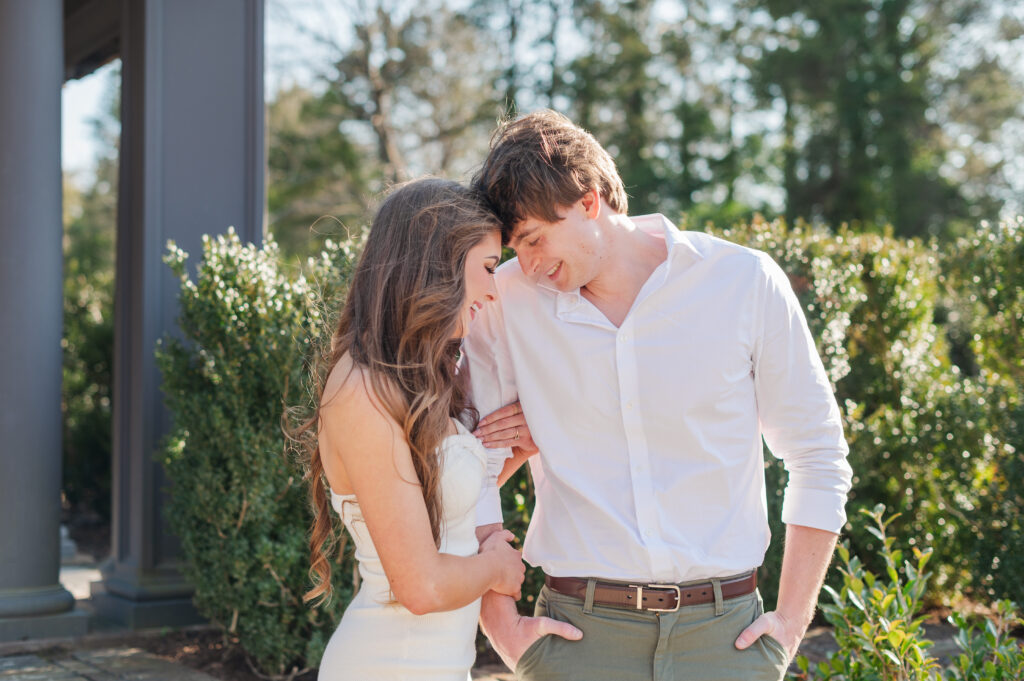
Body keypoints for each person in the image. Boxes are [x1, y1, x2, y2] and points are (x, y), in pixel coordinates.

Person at [463, 110, 853, 681]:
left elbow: (818, 453)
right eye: (515, 249)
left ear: (590, 200)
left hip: (728, 643)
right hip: (576, 641)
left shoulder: (743, 282)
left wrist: (791, 623)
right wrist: (504, 627)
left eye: (535, 240)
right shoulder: (505, 301)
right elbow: (470, 468)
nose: (529, 264)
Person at [292, 178, 527, 680]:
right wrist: (498, 567)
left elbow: (431, 510)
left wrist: (517, 454)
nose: (494, 287)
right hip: (389, 664)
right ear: (435, 263)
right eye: (487, 268)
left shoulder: (412, 376)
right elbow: (421, 586)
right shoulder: (360, 389)